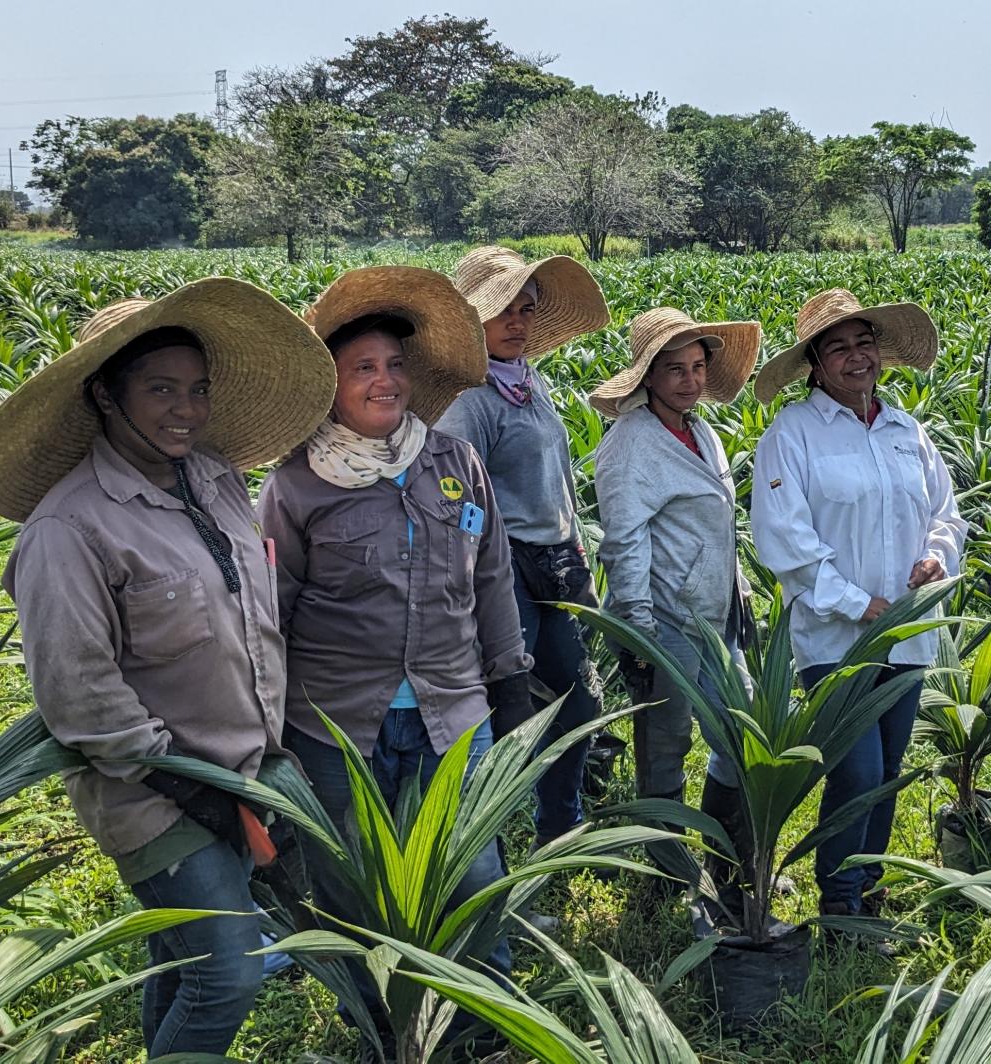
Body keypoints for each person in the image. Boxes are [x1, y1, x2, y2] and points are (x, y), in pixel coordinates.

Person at [0, 281, 336, 1057]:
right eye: (160, 389)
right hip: (150, 793)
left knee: (187, 957)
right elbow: (78, 692)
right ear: (105, 394)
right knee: (231, 973)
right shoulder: (68, 527)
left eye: (197, 390)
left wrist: (251, 768)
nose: (186, 410)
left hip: (240, 769)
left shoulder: (216, 478)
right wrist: (186, 784)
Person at [256, 265, 532, 1050]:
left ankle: (485, 1018)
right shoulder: (296, 485)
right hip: (338, 718)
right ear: (332, 385)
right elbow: (272, 611)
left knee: (474, 871)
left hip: (453, 705)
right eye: (364, 368)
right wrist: (265, 716)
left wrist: (509, 672)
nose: (386, 381)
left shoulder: (452, 461)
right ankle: (379, 1023)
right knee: (352, 883)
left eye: (396, 364)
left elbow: (492, 574)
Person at [751, 288, 967, 918]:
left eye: (864, 343)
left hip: (908, 633)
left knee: (890, 767)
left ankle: (867, 889)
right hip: (834, 637)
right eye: (838, 348)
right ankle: (839, 903)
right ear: (814, 365)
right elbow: (785, 539)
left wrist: (936, 556)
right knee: (856, 770)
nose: (856, 358)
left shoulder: (906, 429)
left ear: (880, 353)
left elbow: (944, 513)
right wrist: (858, 603)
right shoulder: (793, 434)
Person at [434, 245, 612, 848]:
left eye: (526, 308)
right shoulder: (469, 400)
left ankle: (559, 831)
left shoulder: (527, 384)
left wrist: (577, 544)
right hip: (506, 569)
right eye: (501, 309)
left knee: (575, 704)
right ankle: (479, 853)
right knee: (505, 715)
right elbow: (459, 507)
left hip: (555, 561)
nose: (517, 321)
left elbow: (558, 480)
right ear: (471, 321)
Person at [590, 307, 763, 893]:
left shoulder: (699, 428)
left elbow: (715, 521)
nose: (690, 380)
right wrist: (637, 632)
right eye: (674, 369)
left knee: (738, 732)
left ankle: (723, 857)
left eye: (696, 367)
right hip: (664, 620)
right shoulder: (631, 443)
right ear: (646, 377)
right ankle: (662, 871)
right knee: (665, 742)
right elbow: (624, 543)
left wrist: (736, 585)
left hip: (716, 616)